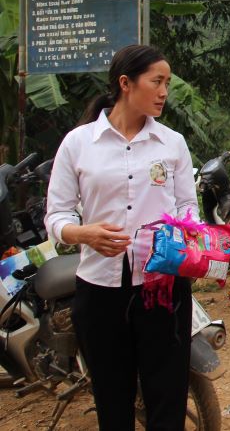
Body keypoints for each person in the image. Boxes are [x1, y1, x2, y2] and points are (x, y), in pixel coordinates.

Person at [44, 45, 196, 428]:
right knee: (112, 398)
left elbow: (187, 208)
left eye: (167, 83)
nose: (164, 91)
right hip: (99, 289)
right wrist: (84, 233)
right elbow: (57, 215)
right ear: (125, 84)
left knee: (168, 395)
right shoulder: (78, 144)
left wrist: (183, 236)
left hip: (163, 288)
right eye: (156, 81)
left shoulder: (172, 143)